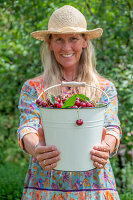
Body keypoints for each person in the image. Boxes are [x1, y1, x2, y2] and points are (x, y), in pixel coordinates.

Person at [17, 5, 122, 200]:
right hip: (46, 186)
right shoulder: (33, 88)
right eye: (59, 39)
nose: (66, 48)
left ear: (84, 41)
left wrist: (106, 147)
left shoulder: (104, 89)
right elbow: (27, 129)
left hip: (95, 187)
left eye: (73, 38)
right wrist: (37, 150)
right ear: (50, 43)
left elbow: (112, 127)